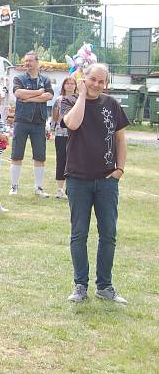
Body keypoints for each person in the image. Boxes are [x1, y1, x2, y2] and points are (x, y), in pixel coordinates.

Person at [63, 64, 129, 304]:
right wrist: (81, 95)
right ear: (84, 78)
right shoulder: (69, 101)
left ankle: (105, 286)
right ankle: (80, 285)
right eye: (93, 80)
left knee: (108, 234)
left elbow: (121, 139)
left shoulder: (111, 104)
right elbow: (72, 124)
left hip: (106, 180)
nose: (97, 85)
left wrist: (119, 169)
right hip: (78, 179)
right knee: (79, 234)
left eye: (101, 82)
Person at [9, 51, 53, 198]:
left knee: (40, 156)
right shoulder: (19, 78)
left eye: (30, 61)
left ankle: (39, 187)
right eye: (26, 61)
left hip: (39, 122)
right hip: (21, 120)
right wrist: (38, 92)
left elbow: (49, 95)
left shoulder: (45, 80)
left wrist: (30, 98)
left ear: (37, 62)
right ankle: (14, 186)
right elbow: (18, 94)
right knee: (17, 153)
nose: (27, 63)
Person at [50, 77, 77, 199]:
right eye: (68, 84)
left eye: (72, 84)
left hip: (75, 134)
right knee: (61, 160)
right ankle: (60, 188)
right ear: (64, 86)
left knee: (73, 161)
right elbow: (55, 116)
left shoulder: (79, 100)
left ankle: (71, 188)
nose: (70, 86)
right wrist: (52, 129)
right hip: (61, 133)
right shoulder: (59, 100)